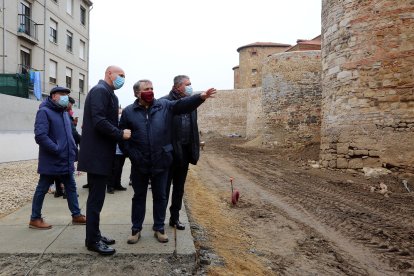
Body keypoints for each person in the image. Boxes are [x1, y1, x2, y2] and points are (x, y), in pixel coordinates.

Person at [119, 79, 216, 245]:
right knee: (139, 197)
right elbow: (123, 137)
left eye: (152, 87)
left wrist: (200, 97)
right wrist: (132, 155)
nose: (150, 91)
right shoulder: (129, 112)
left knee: (161, 196)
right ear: (137, 93)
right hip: (140, 163)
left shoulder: (164, 106)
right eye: (146, 89)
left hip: (161, 160)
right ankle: (136, 230)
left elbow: (182, 105)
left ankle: (159, 228)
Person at [78, 65, 131, 255]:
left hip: (102, 155)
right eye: (120, 75)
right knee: (95, 200)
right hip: (96, 155)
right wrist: (120, 133)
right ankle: (92, 241)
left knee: (98, 199)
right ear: (109, 74)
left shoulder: (109, 94)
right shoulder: (100, 91)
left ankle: (95, 234)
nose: (122, 79)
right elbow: (99, 121)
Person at [29, 86, 86, 230]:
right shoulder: (44, 112)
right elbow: (40, 136)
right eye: (62, 94)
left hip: (65, 160)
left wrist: (73, 151)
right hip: (52, 159)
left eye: (67, 94)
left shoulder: (64, 113)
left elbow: (69, 136)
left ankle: (76, 215)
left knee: (71, 187)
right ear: (54, 96)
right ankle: (35, 218)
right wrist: (57, 149)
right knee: (42, 188)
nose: (65, 97)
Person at [162, 75, 201, 230]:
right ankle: (159, 221)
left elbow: (193, 129)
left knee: (179, 188)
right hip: (169, 154)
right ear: (178, 87)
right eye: (188, 84)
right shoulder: (165, 102)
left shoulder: (192, 106)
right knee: (164, 189)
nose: (191, 87)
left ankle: (175, 218)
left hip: (184, 154)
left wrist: (194, 149)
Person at [107, 108, 128, 194]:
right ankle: (110, 186)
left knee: (120, 168)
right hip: (114, 150)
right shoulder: (112, 123)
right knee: (113, 169)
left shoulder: (124, 123)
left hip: (122, 150)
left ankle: (117, 184)